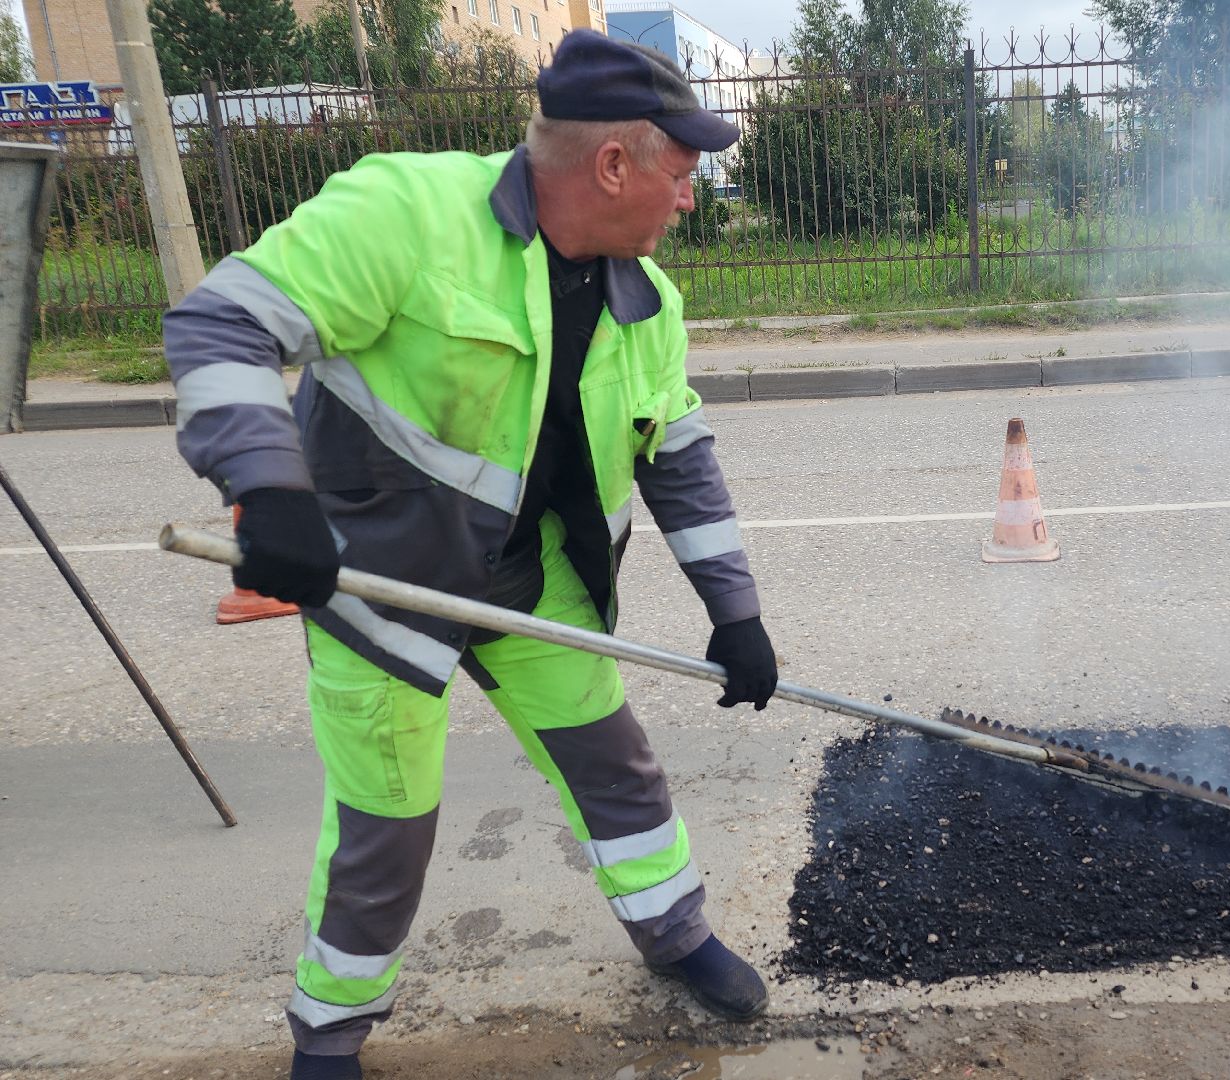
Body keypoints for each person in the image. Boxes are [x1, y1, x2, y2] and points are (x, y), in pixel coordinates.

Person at [163, 31, 778, 1080]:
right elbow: (223, 326)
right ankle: (330, 1031)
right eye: (682, 173)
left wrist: (737, 611)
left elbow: (676, 456)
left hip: (531, 585)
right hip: (384, 589)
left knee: (617, 772)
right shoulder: (406, 214)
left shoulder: (648, 304)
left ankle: (675, 936)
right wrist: (269, 491)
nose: (690, 197)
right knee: (385, 832)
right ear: (614, 165)